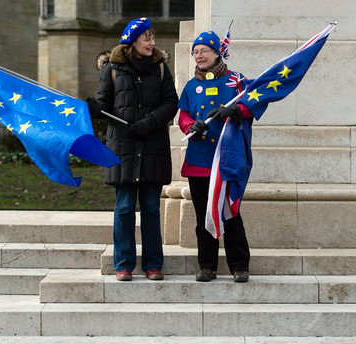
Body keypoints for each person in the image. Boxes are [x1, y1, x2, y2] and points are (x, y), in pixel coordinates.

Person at [86, 17, 178, 281]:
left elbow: (171, 102)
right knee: (124, 208)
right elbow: (105, 104)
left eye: (152, 37)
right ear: (132, 40)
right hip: (123, 148)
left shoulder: (161, 68)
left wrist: (149, 122)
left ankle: (153, 264)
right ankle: (123, 264)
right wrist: (94, 108)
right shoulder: (112, 69)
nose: (151, 42)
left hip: (153, 148)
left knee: (150, 208)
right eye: (146, 37)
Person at [177, 30, 252, 283]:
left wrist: (235, 109)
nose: (199, 55)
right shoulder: (190, 86)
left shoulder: (236, 80)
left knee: (231, 213)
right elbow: (183, 115)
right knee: (204, 216)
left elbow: (253, 104)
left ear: (216, 52)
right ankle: (207, 266)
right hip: (199, 161)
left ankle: (239, 266)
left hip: (226, 158)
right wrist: (190, 127)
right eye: (195, 52)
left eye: (204, 51)